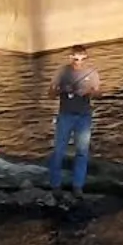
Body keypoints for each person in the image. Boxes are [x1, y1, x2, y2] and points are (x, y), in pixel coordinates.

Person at [48, 45, 101, 193]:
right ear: (70, 58)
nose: (79, 62)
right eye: (76, 58)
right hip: (65, 116)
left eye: (83, 59)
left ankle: (78, 186)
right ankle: (55, 185)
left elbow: (99, 93)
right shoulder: (62, 72)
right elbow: (50, 94)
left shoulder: (92, 73)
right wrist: (62, 90)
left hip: (84, 117)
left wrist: (89, 92)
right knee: (59, 151)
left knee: (82, 151)